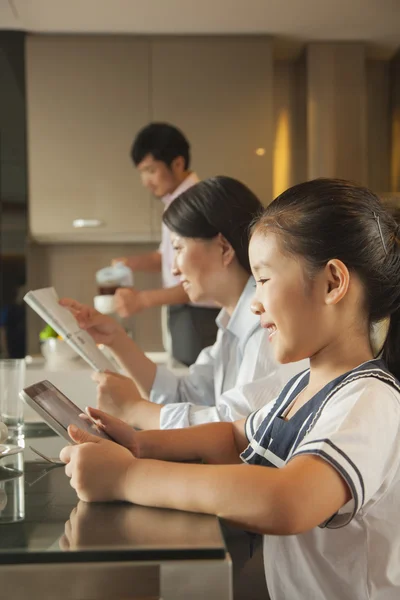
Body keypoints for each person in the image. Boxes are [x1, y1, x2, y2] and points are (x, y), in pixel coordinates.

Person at [61, 178, 400, 600]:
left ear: (332, 282)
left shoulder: (369, 399)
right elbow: (235, 436)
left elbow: (287, 500)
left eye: (263, 279)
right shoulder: (305, 386)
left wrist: (128, 477)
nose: (254, 301)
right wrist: (144, 444)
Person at [61, 176, 307, 431]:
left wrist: (135, 409)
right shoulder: (231, 325)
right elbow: (184, 394)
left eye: (178, 248)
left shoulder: (265, 325)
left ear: (223, 248)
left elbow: (237, 428)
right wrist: (116, 339)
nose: (174, 268)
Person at [113, 122, 219, 366]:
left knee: (197, 390)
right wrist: (129, 263)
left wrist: (141, 300)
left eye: (151, 170)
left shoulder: (193, 205)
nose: (145, 181)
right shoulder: (177, 202)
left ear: (178, 163)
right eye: (142, 172)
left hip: (198, 315)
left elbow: (198, 277)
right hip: (186, 312)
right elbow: (168, 257)